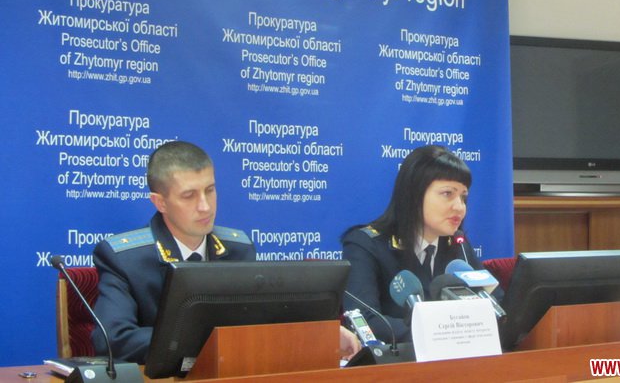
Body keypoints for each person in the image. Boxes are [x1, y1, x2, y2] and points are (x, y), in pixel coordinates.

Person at [92, 140, 360, 364]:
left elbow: (265, 322)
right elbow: (112, 338)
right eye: (189, 196)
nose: (205, 206)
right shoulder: (125, 258)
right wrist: (211, 342)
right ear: (160, 202)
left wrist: (320, 334)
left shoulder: (238, 249)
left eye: (210, 190)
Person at [341, 144, 503, 343]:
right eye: (448, 194)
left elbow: (497, 304)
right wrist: (442, 334)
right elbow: (365, 321)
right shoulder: (366, 245)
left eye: (463, 197)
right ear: (414, 194)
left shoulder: (458, 244)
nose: (460, 207)